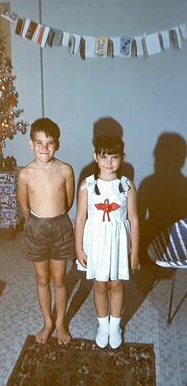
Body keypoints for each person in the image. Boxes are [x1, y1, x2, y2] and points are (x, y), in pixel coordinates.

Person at [75, 134, 140, 349]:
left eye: (114, 157)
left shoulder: (126, 185)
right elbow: (81, 217)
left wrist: (135, 251)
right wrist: (79, 248)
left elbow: (134, 218)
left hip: (119, 243)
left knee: (117, 284)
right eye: (103, 157)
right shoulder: (87, 184)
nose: (108, 162)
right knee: (100, 285)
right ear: (95, 157)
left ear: (122, 158)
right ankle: (103, 326)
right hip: (96, 243)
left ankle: (115, 326)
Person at [18, 117, 75, 345]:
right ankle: (47, 322)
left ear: (57, 144)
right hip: (36, 229)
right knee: (43, 278)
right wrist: (33, 224)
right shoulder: (25, 174)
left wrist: (55, 218)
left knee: (59, 279)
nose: (44, 148)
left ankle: (60, 322)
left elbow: (68, 201)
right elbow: (24, 205)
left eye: (50, 143)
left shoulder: (65, 170)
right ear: (30, 143)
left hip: (61, 227)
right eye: (39, 142)